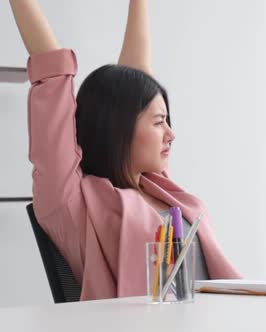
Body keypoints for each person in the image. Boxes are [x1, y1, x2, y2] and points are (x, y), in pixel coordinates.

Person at [9, 0, 241, 300]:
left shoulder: (159, 187)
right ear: (120, 129)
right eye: (159, 123)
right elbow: (50, 69)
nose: (171, 134)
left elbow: (136, 77)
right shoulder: (73, 205)